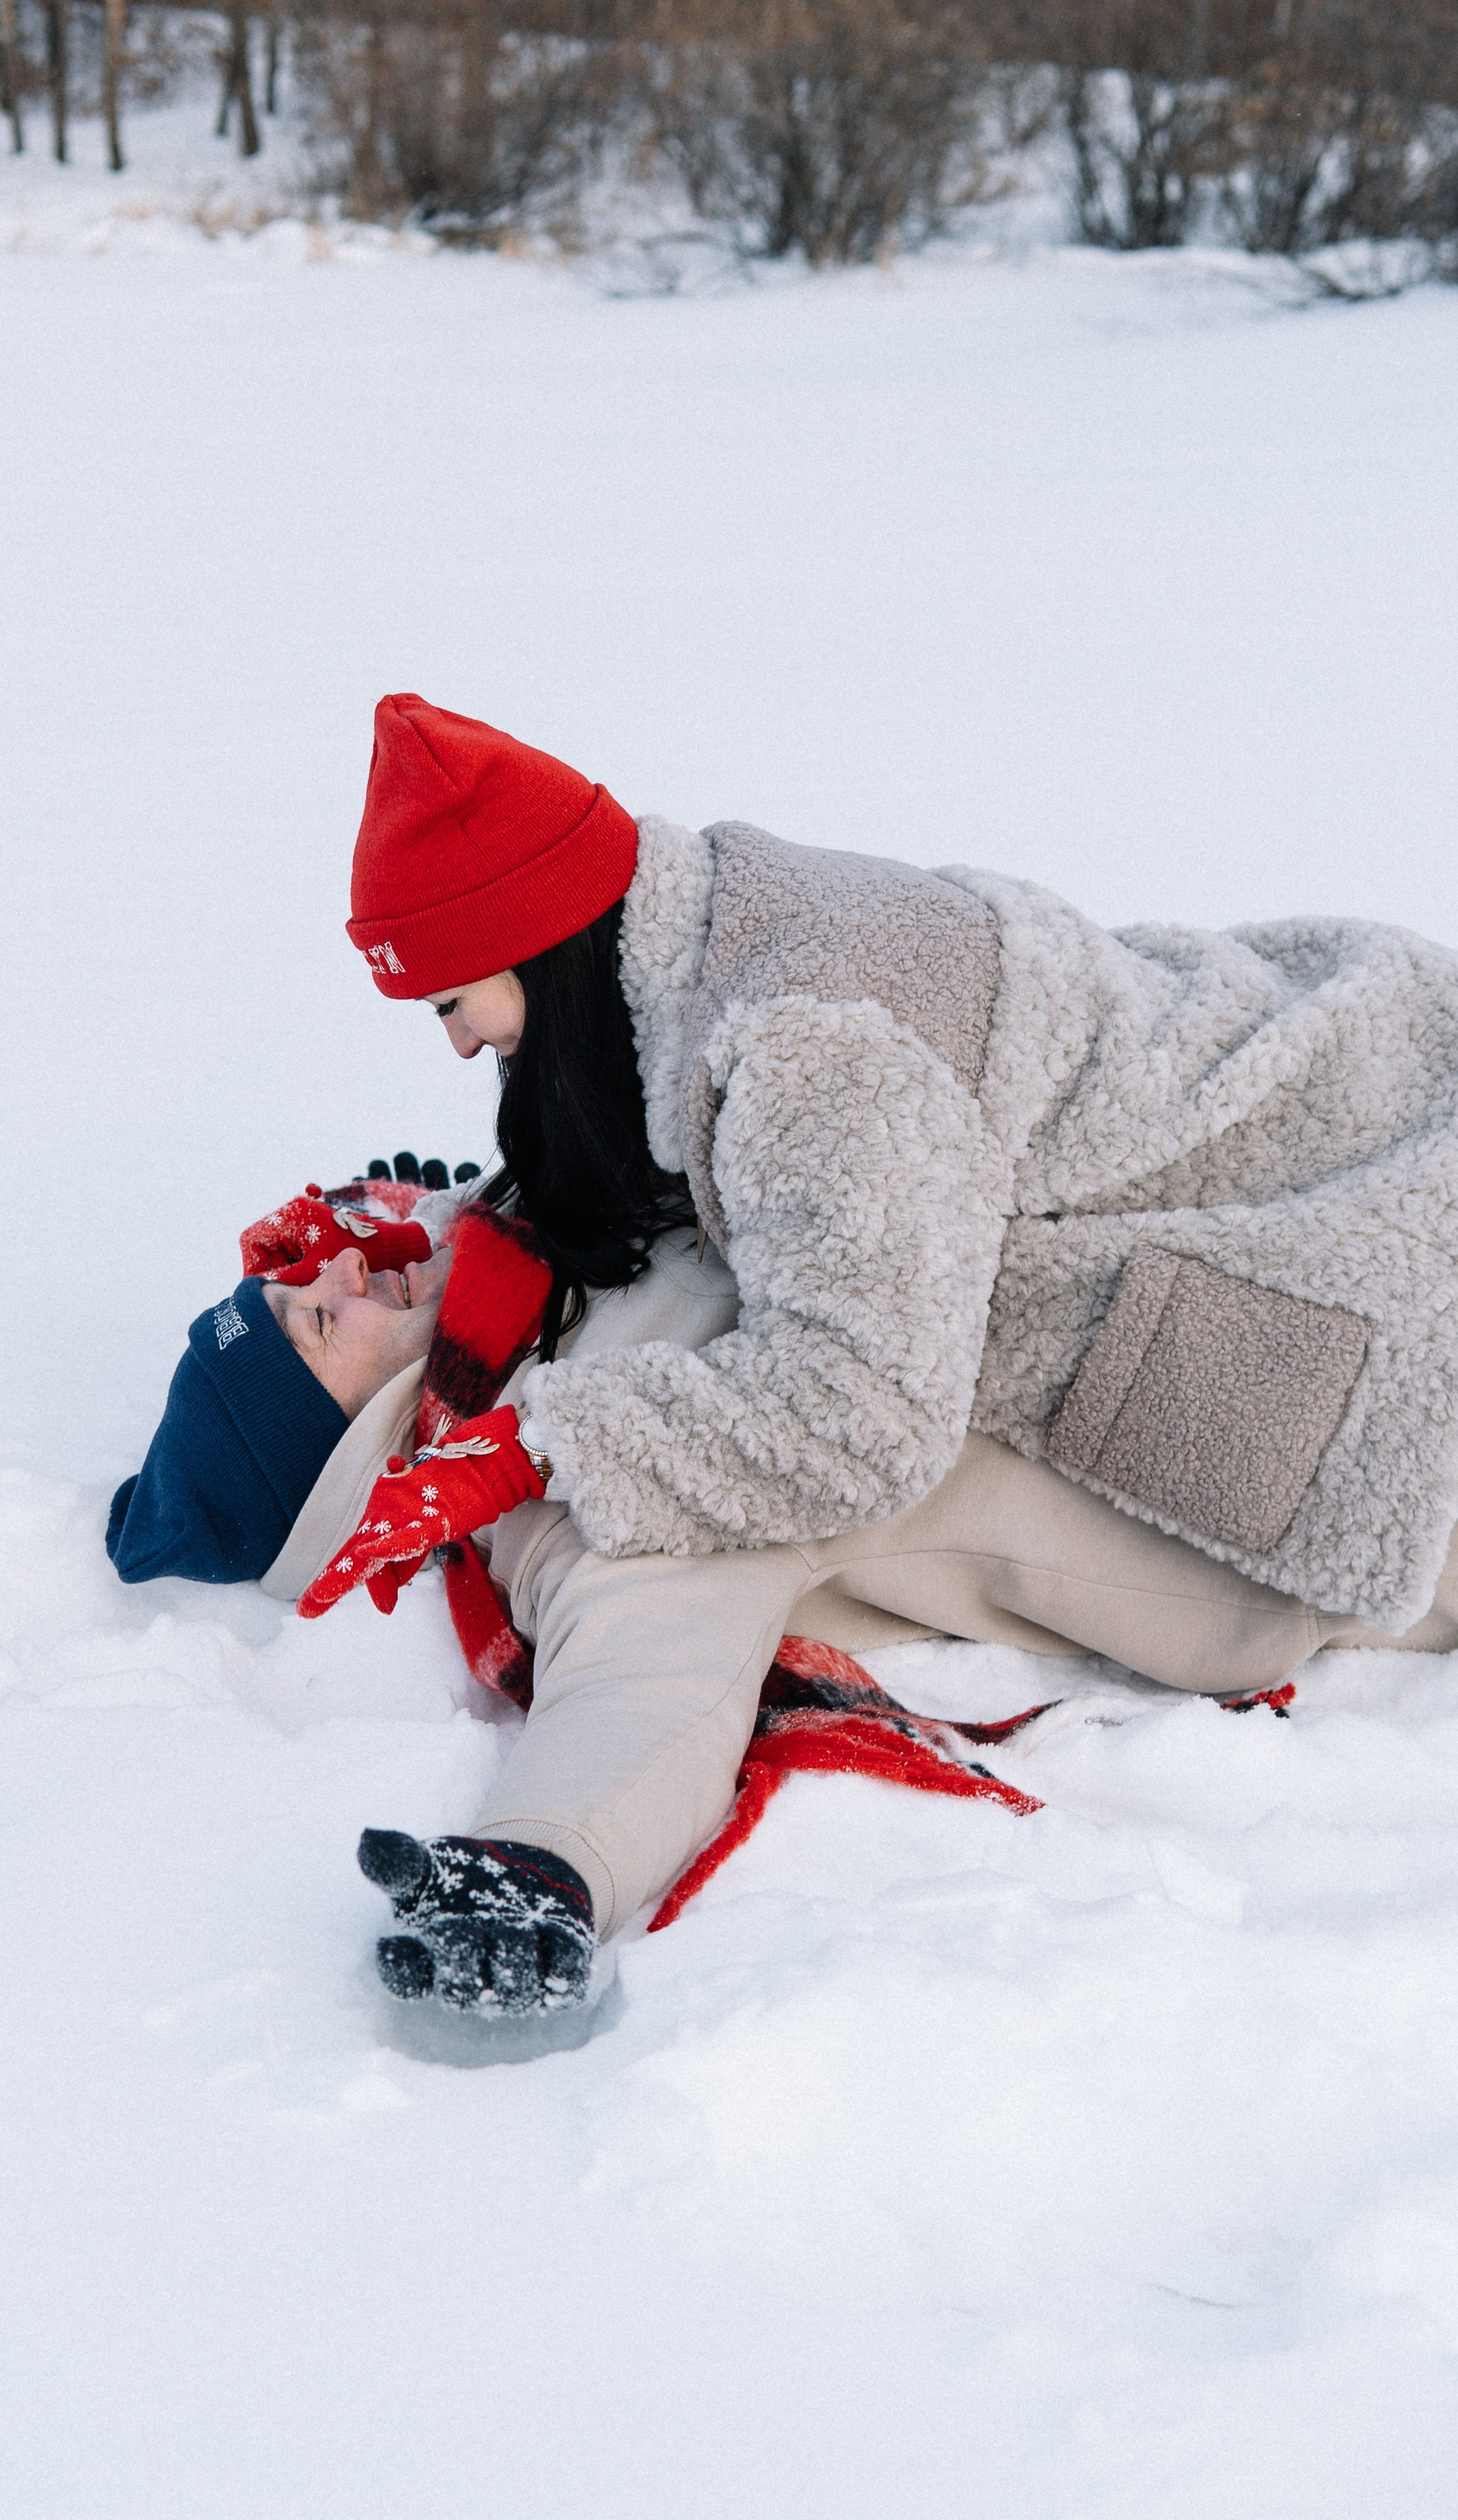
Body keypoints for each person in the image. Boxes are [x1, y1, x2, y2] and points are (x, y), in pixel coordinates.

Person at [258, 688, 1458, 2009]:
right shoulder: (711, 940)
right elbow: (674, 1608)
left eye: (456, 996)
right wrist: (550, 1856)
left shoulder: (796, 1052)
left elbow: (854, 1399)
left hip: (1369, 1292)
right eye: (314, 1317)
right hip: (1310, 1368)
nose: (461, 1042)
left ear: (545, 945)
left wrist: (527, 1427)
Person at [118, 1157, 1458, 2018]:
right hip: (1283, 1481)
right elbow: (648, 1677)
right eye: (314, 1321)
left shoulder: (525, 1285)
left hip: (1238, 1284)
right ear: (349, 1453)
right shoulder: (574, 1486)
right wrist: (543, 1860)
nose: (340, 1271)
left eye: (303, 1281)